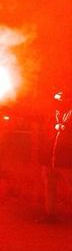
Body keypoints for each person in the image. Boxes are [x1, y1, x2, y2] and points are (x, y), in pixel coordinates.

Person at [39, 91, 72, 223]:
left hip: (67, 160)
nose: (59, 100)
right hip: (50, 159)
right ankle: (50, 215)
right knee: (50, 188)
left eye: (63, 98)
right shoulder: (53, 113)